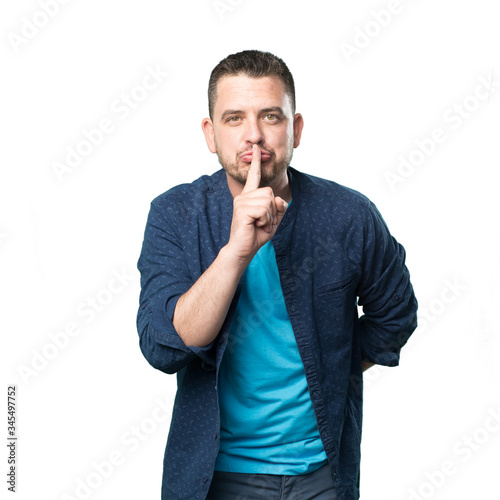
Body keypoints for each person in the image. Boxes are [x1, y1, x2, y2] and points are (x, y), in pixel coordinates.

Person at [136, 50, 418, 500]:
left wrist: (333, 365)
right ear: (210, 134)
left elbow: (396, 315)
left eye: (270, 116)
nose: (253, 136)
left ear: (296, 128)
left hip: (322, 477)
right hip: (215, 478)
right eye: (233, 119)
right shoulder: (175, 214)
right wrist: (236, 252)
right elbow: (165, 347)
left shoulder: (348, 216)